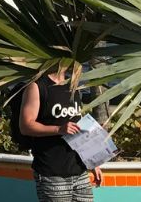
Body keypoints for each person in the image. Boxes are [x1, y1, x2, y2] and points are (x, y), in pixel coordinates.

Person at [15, 65, 103, 202]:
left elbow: (79, 125)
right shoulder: (37, 86)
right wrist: (58, 129)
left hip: (79, 170)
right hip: (52, 172)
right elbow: (26, 126)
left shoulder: (72, 85)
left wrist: (93, 161)